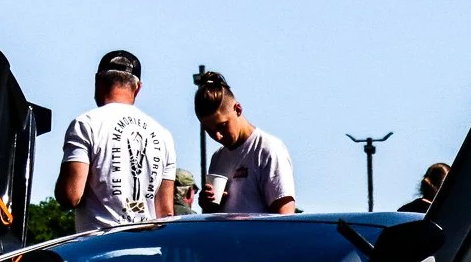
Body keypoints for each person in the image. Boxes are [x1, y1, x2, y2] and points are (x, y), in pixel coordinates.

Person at [57, 50, 176, 233]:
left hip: (101, 246)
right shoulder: (163, 135)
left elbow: (71, 195)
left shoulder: (86, 124)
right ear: (138, 87)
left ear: (98, 81)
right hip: (148, 247)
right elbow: (166, 213)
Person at [193, 71, 297, 214]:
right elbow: (213, 216)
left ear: (238, 109)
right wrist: (208, 207)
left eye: (222, 126)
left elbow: (284, 218)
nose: (218, 136)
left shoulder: (268, 149)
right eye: (209, 130)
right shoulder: (217, 158)